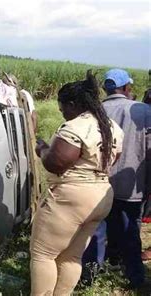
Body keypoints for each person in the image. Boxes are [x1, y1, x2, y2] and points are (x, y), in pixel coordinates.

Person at [30, 70, 124, 295]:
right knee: (71, 256)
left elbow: (56, 163)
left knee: (43, 254)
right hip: (100, 194)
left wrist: (43, 148)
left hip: (72, 198)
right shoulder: (110, 126)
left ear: (73, 104)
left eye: (63, 108)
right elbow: (112, 159)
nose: (63, 114)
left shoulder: (77, 126)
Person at [100, 68, 150, 288]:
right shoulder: (142, 111)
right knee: (131, 229)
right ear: (128, 88)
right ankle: (135, 277)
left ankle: (99, 268)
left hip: (100, 182)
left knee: (102, 225)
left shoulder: (97, 110)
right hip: (132, 183)